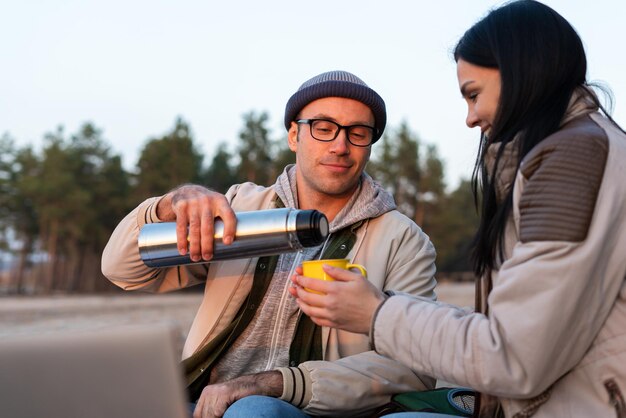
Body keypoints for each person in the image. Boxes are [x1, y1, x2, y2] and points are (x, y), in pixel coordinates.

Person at [291, 2, 626, 417]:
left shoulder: (572, 161)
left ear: (520, 74)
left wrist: (376, 314)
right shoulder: (582, 147)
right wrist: (384, 303)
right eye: (323, 130)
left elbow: (515, 356)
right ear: (293, 135)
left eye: (473, 94)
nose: (470, 117)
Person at [101, 70, 439, 417]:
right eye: (323, 128)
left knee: (253, 410)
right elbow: (122, 269)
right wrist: (168, 206)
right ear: (294, 135)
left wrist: (277, 383)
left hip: (310, 410)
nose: (340, 146)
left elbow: (412, 367)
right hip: (202, 404)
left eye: (358, 133)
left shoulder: (403, 239)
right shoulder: (238, 208)